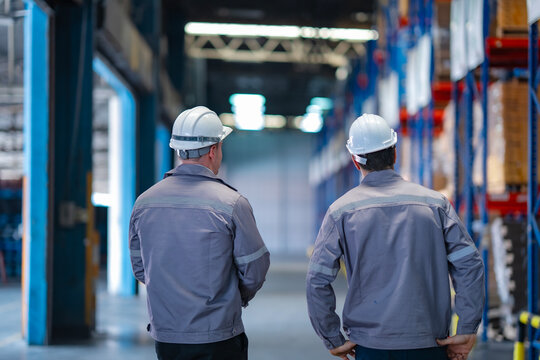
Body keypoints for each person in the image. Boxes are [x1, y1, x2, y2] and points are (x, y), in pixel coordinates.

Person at [306, 113, 485, 360]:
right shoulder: (436, 204)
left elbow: (317, 280)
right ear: (395, 153)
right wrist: (466, 328)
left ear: (355, 161)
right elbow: (469, 265)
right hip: (429, 343)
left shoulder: (341, 212)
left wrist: (332, 338)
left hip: (370, 347)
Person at [129, 106, 270, 360]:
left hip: (167, 337)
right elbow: (255, 268)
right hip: (219, 337)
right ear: (214, 150)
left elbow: (141, 269)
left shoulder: (144, 203)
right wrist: (232, 298)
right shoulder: (232, 203)